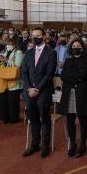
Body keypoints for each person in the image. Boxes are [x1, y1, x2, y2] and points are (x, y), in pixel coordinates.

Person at [21, 28, 57, 158]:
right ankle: (34, 145)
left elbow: (49, 74)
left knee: (44, 119)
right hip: (29, 92)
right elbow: (24, 72)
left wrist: (37, 89)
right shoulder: (29, 53)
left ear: (43, 36)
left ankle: (45, 146)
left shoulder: (51, 52)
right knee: (33, 119)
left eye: (38, 35)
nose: (35, 37)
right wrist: (29, 88)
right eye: (33, 36)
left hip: (43, 91)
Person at [58, 39, 87, 157]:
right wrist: (74, 79)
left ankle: (82, 145)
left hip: (81, 93)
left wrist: (71, 78)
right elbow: (62, 76)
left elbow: (83, 75)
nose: (75, 47)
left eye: (78, 46)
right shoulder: (67, 61)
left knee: (82, 119)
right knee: (70, 119)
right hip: (69, 93)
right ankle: (72, 144)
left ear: (82, 48)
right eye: (73, 46)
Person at [0, 36, 23, 124]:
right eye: (7, 44)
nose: (8, 45)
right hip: (3, 80)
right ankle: (5, 118)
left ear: (15, 45)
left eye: (10, 44)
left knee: (13, 101)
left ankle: (13, 118)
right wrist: (0, 60)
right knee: (3, 100)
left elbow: (18, 65)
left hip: (13, 80)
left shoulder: (19, 52)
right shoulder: (3, 52)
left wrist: (7, 60)